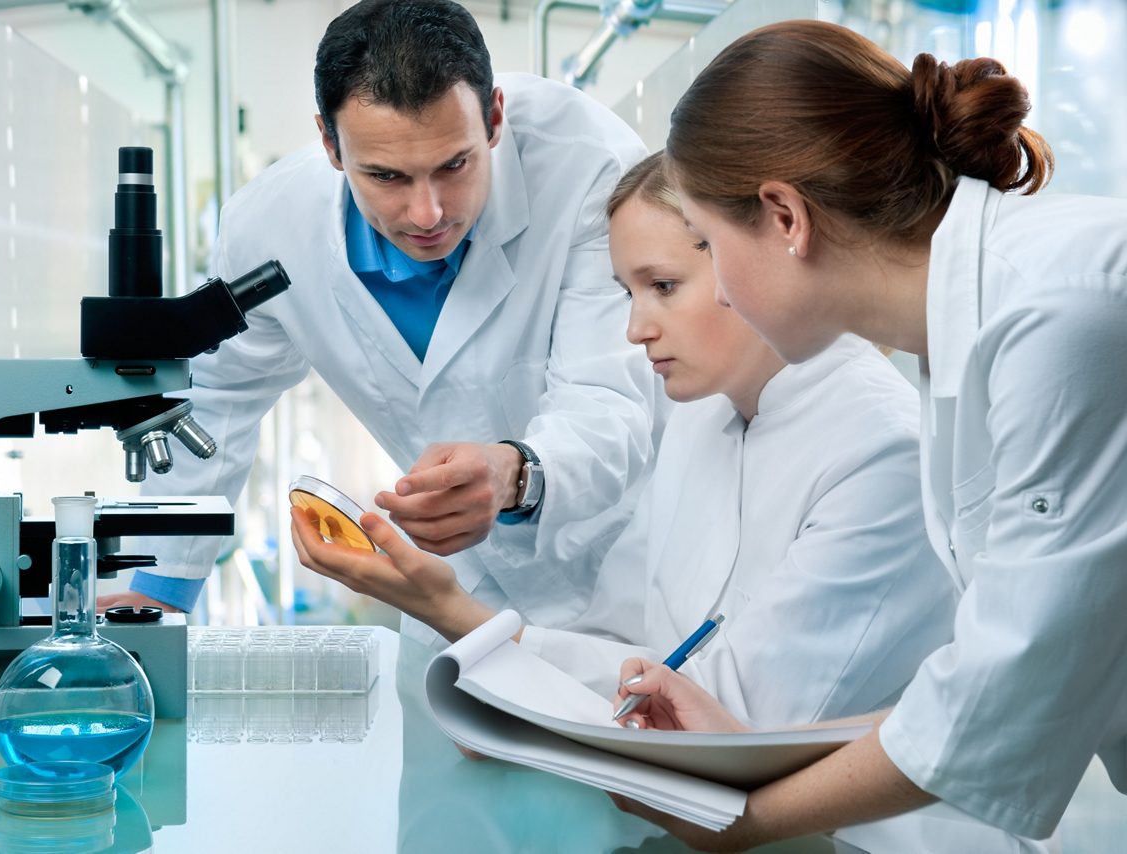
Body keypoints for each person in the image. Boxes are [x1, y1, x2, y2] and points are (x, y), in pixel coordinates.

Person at [609, 19, 1127, 851]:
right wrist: (743, 751)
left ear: (785, 216)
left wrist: (741, 820)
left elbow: (1006, 694)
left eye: (708, 243)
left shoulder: (1056, 311)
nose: (719, 291)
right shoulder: (965, 342)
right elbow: (990, 681)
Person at [291, 150, 956, 739]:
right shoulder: (702, 418)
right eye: (629, 292)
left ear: (756, 256)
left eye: (663, 287)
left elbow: (733, 723)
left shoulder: (881, 454)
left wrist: (458, 616)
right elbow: (625, 643)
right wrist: (483, 650)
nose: (637, 329)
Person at [100, 0, 657, 640]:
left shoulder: (590, 166)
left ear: (495, 117)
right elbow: (219, 401)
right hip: (455, 583)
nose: (427, 212)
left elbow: (610, 401)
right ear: (330, 144)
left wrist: (514, 473)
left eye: (455, 165)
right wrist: (159, 594)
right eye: (386, 175)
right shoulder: (271, 226)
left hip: (625, 566)